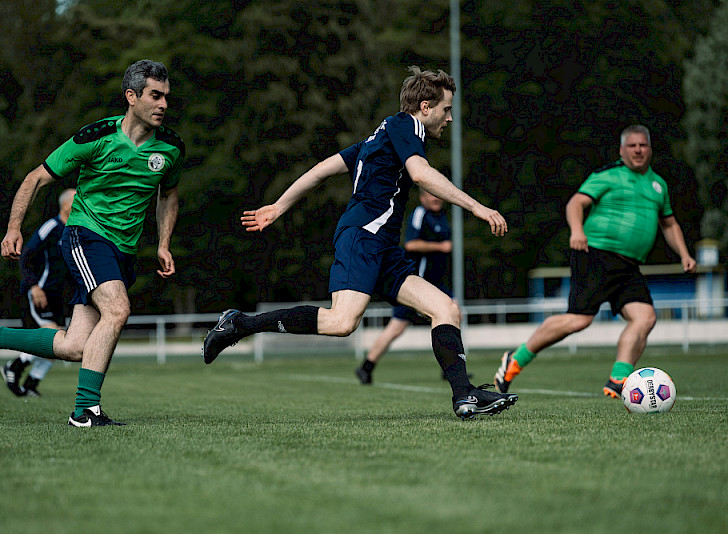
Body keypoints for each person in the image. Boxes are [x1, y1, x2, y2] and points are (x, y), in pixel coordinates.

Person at [203, 66, 518, 420]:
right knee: (342, 322)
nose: (449, 118)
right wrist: (477, 207)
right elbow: (420, 173)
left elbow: (322, 169)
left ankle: (465, 396)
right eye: (446, 109)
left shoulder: (378, 138)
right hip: (363, 237)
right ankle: (239, 324)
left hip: (383, 247)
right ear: (425, 107)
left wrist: (279, 205)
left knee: (446, 309)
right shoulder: (405, 126)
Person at [0, 59, 184, 426]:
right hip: (85, 236)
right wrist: (14, 228)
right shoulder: (94, 137)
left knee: (76, 346)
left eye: (166, 97)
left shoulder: (171, 148)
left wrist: (163, 243)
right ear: (131, 96)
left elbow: (168, 196)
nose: (163, 105)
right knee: (118, 311)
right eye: (155, 96)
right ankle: (84, 411)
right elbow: (35, 179)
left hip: (124, 251)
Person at [494, 124, 697, 398]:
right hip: (596, 255)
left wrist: (684, 254)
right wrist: (577, 231)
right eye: (632, 145)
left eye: (643, 145)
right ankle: (515, 360)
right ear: (622, 150)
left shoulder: (658, 185)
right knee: (578, 320)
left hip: (629, 265)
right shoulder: (608, 175)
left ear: (650, 149)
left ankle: (619, 379)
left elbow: (669, 224)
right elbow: (575, 204)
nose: (638, 150)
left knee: (645, 317)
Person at [355, 189, 452, 385]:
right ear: (423, 198)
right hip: (417, 283)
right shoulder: (420, 214)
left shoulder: (441, 216)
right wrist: (440, 247)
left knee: (451, 316)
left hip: (437, 282)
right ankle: (366, 366)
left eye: (437, 195)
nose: (435, 199)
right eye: (431, 196)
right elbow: (411, 244)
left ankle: (451, 368)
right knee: (396, 328)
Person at [0, 188, 76, 397]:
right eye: (78, 199)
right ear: (66, 205)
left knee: (60, 343)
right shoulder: (51, 227)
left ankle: (32, 385)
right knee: (51, 336)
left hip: (59, 298)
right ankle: (13, 367)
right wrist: (34, 286)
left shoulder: (75, 230)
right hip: (41, 292)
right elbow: (26, 257)